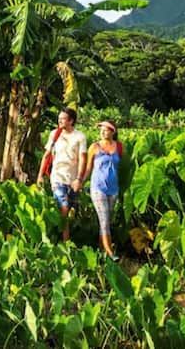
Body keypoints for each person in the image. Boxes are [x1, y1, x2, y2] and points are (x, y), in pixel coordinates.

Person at [36, 107, 88, 242]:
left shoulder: (80, 137)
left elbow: (83, 158)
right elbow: (46, 156)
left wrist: (79, 179)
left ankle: (60, 235)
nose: (60, 121)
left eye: (63, 119)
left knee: (70, 210)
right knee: (63, 208)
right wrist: (40, 175)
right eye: (59, 118)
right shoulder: (54, 134)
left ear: (71, 121)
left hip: (72, 179)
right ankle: (66, 243)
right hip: (57, 176)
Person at [82, 120, 122, 258]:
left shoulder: (119, 147)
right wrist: (80, 181)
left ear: (113, 131)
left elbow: (124, 168)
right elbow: (88, 169)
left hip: (113, 189)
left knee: (106, 221)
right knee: (104, 220)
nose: (103, 132)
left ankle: (101, 252)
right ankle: (111, 253)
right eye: (101, 130)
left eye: (106, 130)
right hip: (98, 188)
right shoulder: (94, 147)